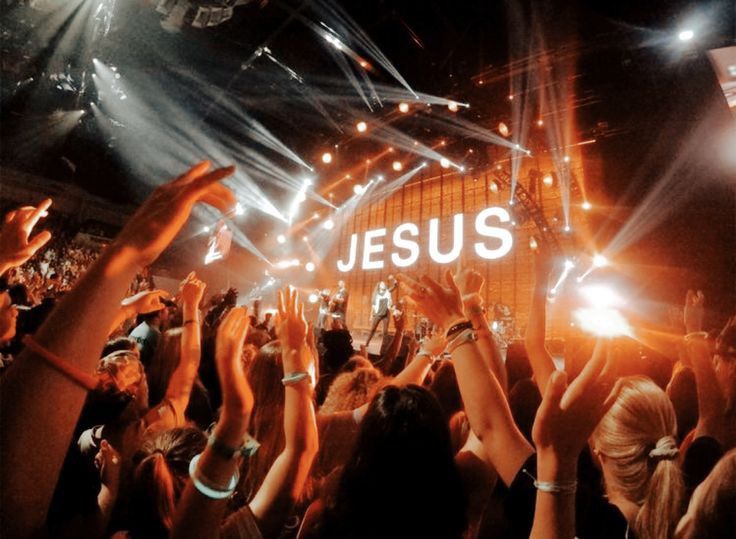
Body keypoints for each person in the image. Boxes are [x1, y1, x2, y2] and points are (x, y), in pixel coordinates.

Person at [364, 281, 392, 349]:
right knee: (373, 329)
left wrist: (394, 282)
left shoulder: (387, 292)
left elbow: (394, 287)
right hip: (378, 314)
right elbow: (373, 305)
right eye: (382, 284)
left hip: (386, 314)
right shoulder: (376, 294)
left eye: (384, 284)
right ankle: (366, 344)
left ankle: (384, 347)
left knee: (385, 331)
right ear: (379, 286)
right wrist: (371, 315)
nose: (384, 285)